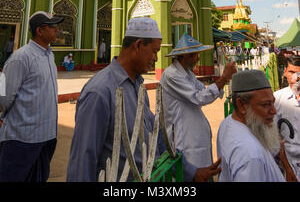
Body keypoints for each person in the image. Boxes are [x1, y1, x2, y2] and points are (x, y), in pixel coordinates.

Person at [67, 18, 198, 182]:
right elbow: (82, 160)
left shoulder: (137, 86)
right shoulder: (100, 91)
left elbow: (155, 137)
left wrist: (192, 173)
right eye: (154, 51)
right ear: (138, 45)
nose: (156, 59)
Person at [160, 33, 237, 182]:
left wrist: (222, 80)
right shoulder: (171, 75)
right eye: (193, 55)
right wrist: (224, 78)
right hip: (184, 141)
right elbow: (199, 97)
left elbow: (204, 90)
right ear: (181, 57)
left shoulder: (188, 74)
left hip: (195, 140)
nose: (197, 59)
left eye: (197, 55)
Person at [0, 11, 64, 182]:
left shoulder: (49, 55)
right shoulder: (20, 58)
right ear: (39, 31)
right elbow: (3, 97)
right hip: (22, 138)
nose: (57, 30)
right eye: (53, 27)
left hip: (47, 137)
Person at [217, 69, 286, 182]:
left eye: (273, 103)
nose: (274, 111)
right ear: (242, 105)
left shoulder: (228, 122)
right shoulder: (251, 156)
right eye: (265, 105)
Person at [274, 55, 300, 181]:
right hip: (285, 164)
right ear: (285, 72)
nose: (296, 77)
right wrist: (288, 169)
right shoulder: (276, 99)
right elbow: (274, 136)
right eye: (292, 72)